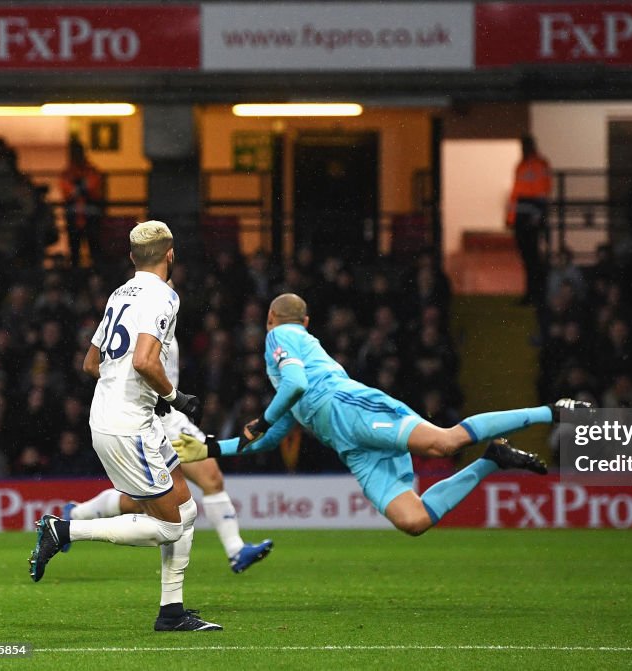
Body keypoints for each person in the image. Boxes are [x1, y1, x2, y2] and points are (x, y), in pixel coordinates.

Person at [173, 293, 591, 537]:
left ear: (274, 320)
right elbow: (269, 433)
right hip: (353, 447)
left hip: (353, 409)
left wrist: (261, 419)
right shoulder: (287, 363)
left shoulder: (282, 336)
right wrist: (212, 446)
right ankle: (493, 459)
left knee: (445, 440)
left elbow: (295, 387)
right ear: (307, 318)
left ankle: (552, 411)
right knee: (413, 520)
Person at [28, 220, 221, 632]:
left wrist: (132, 394)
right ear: (171, 254)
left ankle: (172, 611)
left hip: (128, 418)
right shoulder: (165, 296)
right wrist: (175, 397)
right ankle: (65, 530)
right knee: (170, 527)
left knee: (186, 510)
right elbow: (145, 361)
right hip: (128, 426)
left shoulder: (120, 293)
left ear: (133, 257)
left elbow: (91, 363)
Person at [63, 334, 274, 574]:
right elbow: (110, 366)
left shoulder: (162, 316)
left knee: (210, 478)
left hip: (169, 415)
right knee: (146, 503)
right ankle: (77, 515)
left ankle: (236, 550)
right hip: (147, 418)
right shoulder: (144, 320)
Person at [507, 135, 552, 306]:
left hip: (529, 218)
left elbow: (542, 193)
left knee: (532, 259)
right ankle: (531, 294)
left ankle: (535, 294)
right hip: (521, 217)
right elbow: (516, 194)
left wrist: (536, 217)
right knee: (528, 259)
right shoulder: (522, 165)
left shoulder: (538, 164)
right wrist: (511, 219)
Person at [60, 139, 104, 268]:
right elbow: (67, 190)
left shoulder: (91, 170)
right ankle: (76, 282)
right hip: (73, 217)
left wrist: (79, 188)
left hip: (91, 217)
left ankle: (95, 278)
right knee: (74, 252)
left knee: (94, 250)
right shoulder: (68, 172)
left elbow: (94, 186)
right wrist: (81, 188)